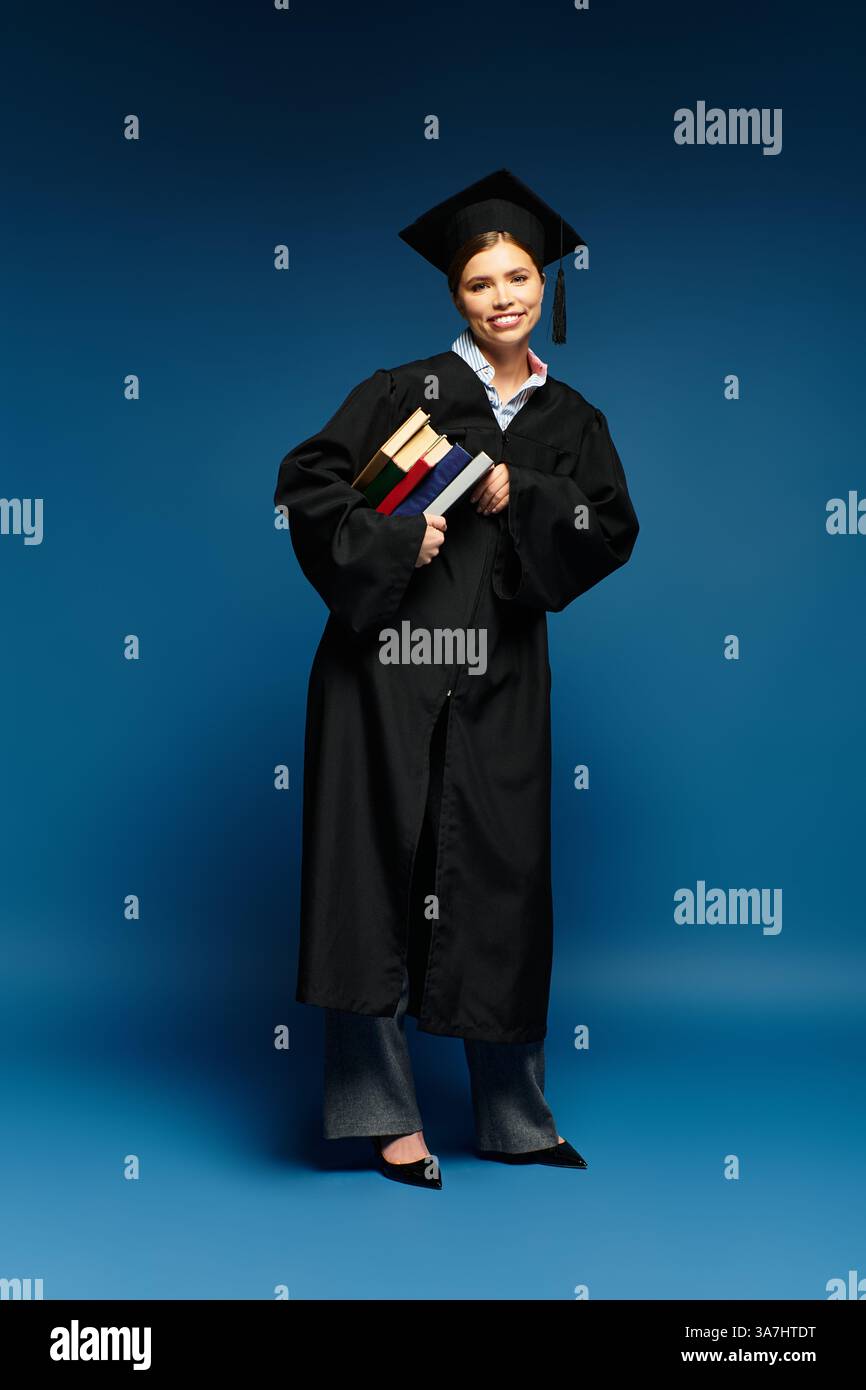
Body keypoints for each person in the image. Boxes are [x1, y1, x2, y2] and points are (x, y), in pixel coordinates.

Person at [273, 168, 640, 1189]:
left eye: (517, 276)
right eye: (479, 283)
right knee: (370, 877)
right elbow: (305, 485)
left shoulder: (571, 417)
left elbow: (608, 529)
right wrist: (395, 536)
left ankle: (514, 1117)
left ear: (542, 283)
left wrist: (523, 491)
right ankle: (384, 1120)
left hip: (498, 680)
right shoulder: (403, 391)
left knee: (501, 884)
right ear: (455, 297)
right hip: (381, 671)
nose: (501, 297)